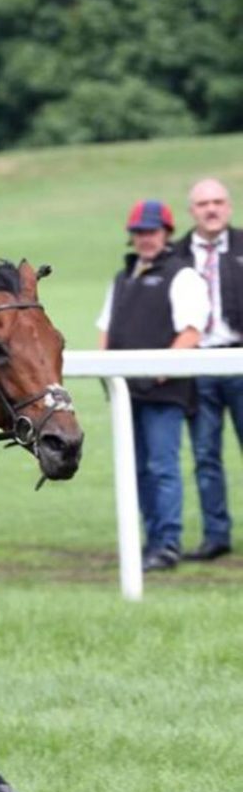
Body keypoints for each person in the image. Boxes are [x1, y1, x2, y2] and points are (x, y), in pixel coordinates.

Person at [97, 199, 209, 572]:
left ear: (166, 234)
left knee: (162, 467)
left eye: (152, 231)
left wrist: (156, 372)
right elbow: (106, 329)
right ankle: (149, 540)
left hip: (164, 391)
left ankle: (167, 543)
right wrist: (107, 370)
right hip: (127, 391)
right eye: (140, 232)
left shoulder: (183, 275)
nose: (146, 238)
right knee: (137, 469)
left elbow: (191, 332)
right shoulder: (123, 277)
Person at [178, 178, 243, 561]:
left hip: (240, 359)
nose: (212, 209)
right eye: (204, 204)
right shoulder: (176, 255)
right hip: (198, 363)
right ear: (193, 211)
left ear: (229, 207)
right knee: (205, 454)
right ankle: (216, 535)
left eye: (218, 201)